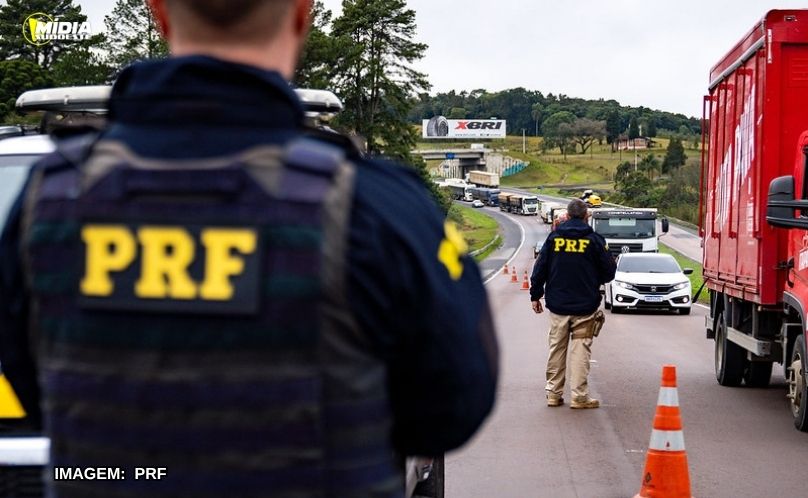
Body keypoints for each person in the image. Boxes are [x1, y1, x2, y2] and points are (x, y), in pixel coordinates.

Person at [0, 0, 498, 496]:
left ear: (159, 12)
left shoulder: (47, 199)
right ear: (302, 12)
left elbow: (31, 384)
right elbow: (451, 411)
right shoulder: (375, 209)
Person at [529, 199, 615, 409]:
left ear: (566, 216)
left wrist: (535, 295)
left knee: (556, 349)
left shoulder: (554, 238)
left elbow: (540, 268)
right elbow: (609, 272)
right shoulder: (595, 240)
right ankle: (579, 396)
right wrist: (593, 279)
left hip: (558, 306)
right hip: (585, 307)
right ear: (587, 216)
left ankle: (553, 394)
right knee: (580, 352)